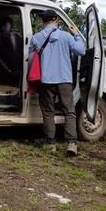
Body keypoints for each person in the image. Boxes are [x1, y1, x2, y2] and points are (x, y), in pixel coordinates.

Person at [29, 10, 85, 156]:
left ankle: (50, 144)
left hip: (46, 80)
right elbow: (81, 51)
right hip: (64, 80)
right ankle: (72, 144)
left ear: (43, 21)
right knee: (69, 112)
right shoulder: (66, 36)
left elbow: (30, 57)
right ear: (57, 20)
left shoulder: (36, 37)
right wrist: (77, 35)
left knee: (48, 112)